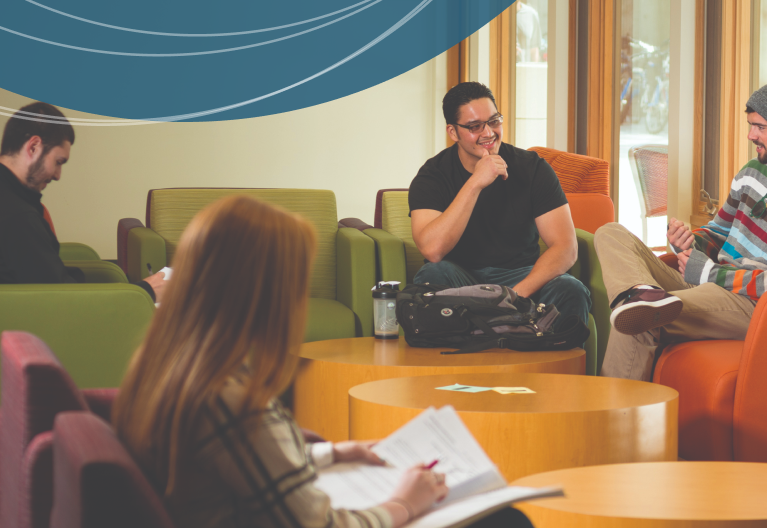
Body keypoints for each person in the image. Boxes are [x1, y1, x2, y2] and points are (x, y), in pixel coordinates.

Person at [113, 195, 532, 527]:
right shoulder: (231, 398)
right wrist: (406, 503)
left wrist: (335, 452)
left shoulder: (170, 361)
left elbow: (239, 462)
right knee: (504, 519)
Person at [595, 77, 767, 381]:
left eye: (760, 127)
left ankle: (612, 411)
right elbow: (719, 233)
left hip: (751, 305)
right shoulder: (753, 172)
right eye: (751, 125)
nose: (751, 135)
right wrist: (689, 242)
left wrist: (710, 274)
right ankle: (640, 294)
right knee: (610, 233)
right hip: (712, 283)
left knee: (641, 320)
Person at [408, 81, 589, 337]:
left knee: (571, 289)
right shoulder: (432, 175)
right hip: (461, 277)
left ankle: (553, 363)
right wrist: (475, 183)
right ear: (453, 132)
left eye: (494, 121)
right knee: (433, 274)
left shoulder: (533, 168)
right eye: (474, 126)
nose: (488, 133)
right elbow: (432, 250)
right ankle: (458, 360)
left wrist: (513, 296)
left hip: (522, 278)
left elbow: (566, 248)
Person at [0, 102, 167, 300]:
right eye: (58, 162)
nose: (58, 175)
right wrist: (145, 291)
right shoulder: (13, 215)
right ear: (34, 147)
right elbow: (62, 300)